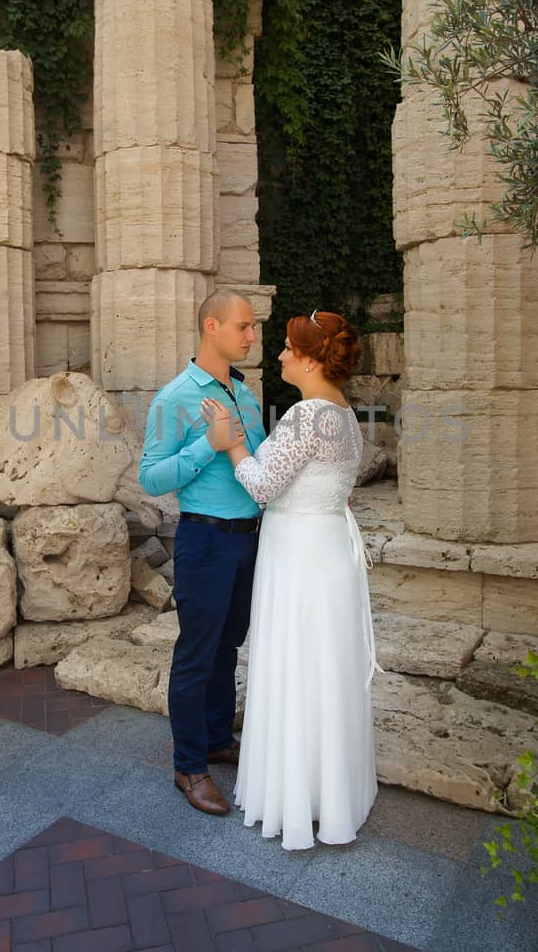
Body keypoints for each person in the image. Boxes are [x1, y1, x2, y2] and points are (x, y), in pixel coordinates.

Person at [200, 310, 378, 851]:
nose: (277, 355)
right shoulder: (344, 415)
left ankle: (296, 797)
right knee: (324, 667)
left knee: (299, 664)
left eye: (285, 348)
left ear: (309, 357)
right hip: (326, 549)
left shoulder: (307, 417)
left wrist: (228, 442)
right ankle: (329, 791)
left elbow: (261, 485)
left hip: (300, 554)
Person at [138, 289, 266, 817]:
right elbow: (150, 477)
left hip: (250, 540)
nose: (252, 335)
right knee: (195, 653)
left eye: (253, 327)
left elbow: (262, 464)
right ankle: (189, 766)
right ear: (211, 327)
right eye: (243, 326)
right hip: (205, 540)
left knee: (227, 645)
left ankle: (216, 737)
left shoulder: (249, 393)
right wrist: (204, 445)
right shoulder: (173, 399)